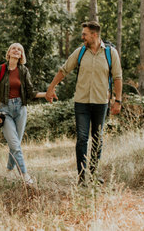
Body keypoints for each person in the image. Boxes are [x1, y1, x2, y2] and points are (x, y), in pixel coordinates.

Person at [46, 21, 123, 185]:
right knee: (82, 139)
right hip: (81, 102)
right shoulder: (80, 52)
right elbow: (64, 70)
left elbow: (117, 77)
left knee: (97, 138)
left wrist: (118, 100)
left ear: (94, 35)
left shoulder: (111, 53)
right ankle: (82, 177)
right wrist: (51, 88)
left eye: (85, 34)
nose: (82, 37)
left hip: (101, 103)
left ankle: (94, 175)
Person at [0, 43, 47, 185]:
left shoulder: (23, 71)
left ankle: (8, 170)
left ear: (21, 55)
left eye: (19, 49)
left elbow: (31, 92)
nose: (16, 50)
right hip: (4, 110)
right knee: (14, 143)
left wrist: (46, 94)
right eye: (14, 48)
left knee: (16, 144)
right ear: (9, 53)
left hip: (20, 109)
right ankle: (25, 175)